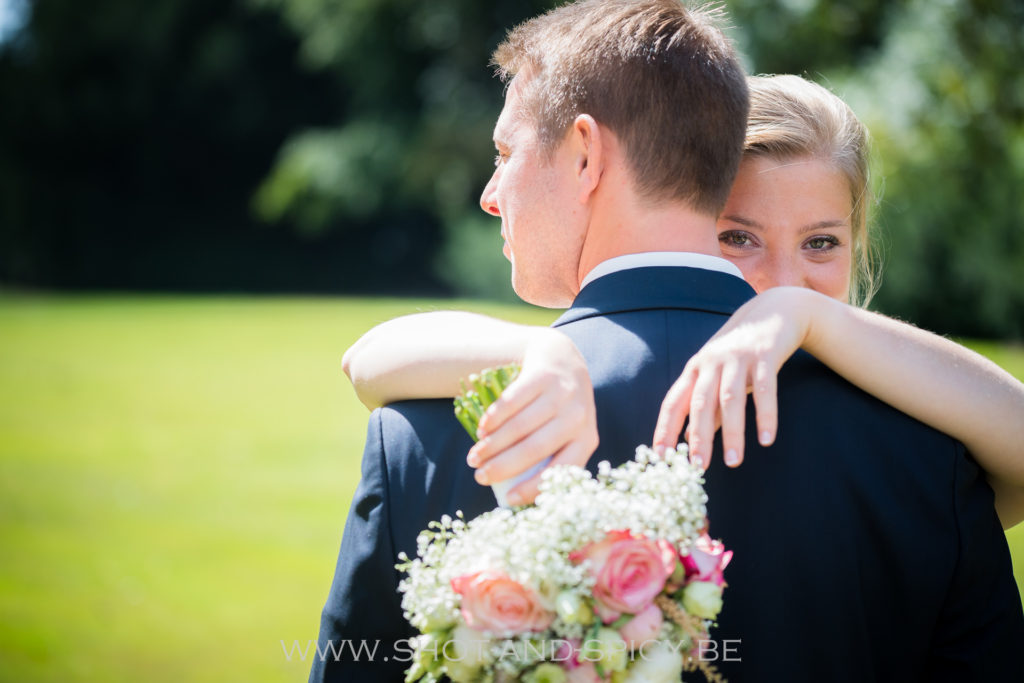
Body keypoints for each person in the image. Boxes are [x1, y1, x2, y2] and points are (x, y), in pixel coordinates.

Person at [311, 2, 1024, 682]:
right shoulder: (929, 450)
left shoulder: (428, 435)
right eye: (743, 235)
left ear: (586, 154)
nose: (491, 192)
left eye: (507, 150)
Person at [344, 75, 1024, 528]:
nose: (784, 279)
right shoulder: (578, 369)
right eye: (739, 237)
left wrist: (809, 317)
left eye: (821, 243)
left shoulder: (908, 418)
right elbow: (368, 357)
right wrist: (544, 349)